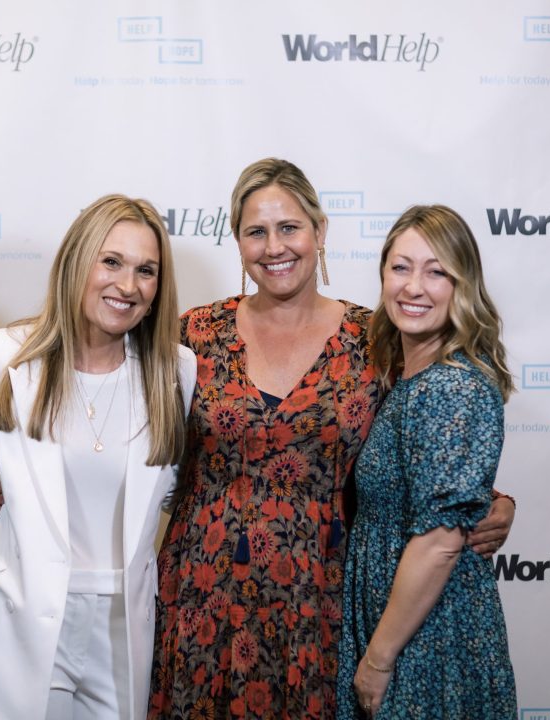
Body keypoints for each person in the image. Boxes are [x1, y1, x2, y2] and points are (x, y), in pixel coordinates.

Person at [147, 159, 515, 719]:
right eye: (256, 231)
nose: (275, 246)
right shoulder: (194, 334)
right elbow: (113, 395)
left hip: (324, 599)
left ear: (320, 231)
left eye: (289, 227)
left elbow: (430, 446)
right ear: (238, 241)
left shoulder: (377, 340)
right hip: (204, 592)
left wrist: (494, 502)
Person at [0, 195, 196, 719]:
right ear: (76, 261)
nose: (128, 285)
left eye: (146, 271)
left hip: (123, 625)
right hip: (17, 615)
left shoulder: (176, 372)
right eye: (111, 261)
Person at [337, 205, 517, 718]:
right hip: (402, 623)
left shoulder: (450, 387)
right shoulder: (408, 375)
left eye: (436, 271)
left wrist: (379, 659)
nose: (414, 287)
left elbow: (440, 541)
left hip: (427, 637)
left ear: (463, 286)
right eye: (401, 267)